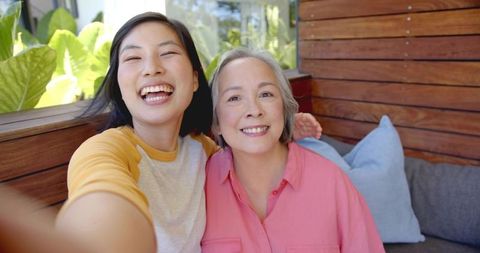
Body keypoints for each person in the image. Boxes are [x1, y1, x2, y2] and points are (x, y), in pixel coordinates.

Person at [51, 12, 321, 253]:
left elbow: (244, 156)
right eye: (133, 58)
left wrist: (280, 125)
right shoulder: (105, 150)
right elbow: (100, 205)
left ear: (194, 79)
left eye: (167, 53)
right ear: (119, 84)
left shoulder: (202, 150)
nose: (152, 68)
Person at [202, 48, 385, 253]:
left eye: (266, 94)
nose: (254, 110)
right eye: (234, 98)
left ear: (284, 108)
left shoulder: (331, 182)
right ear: (216, 122)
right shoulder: (199, 183)